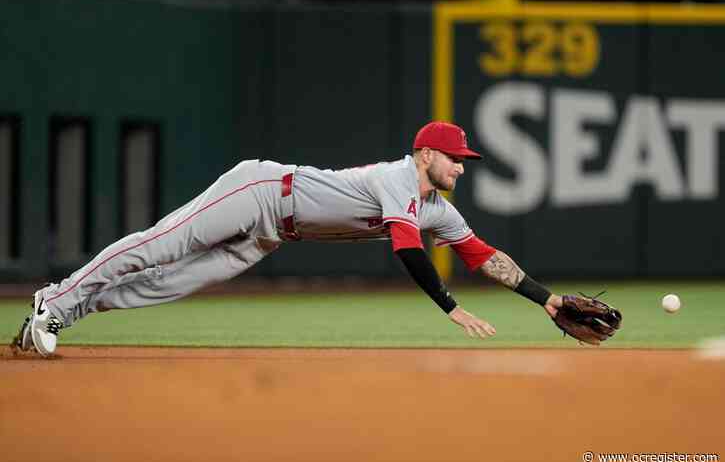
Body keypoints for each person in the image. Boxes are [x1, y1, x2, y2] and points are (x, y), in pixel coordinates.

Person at [12, 121, 563, 357]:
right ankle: (56, 297)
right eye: (455, 158)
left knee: (172, 283)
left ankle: (62, 312)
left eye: (464, 161)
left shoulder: (438, 210)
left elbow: (483, 255)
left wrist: (550, 301)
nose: (462, 167)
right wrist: (449, 306)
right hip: (261, 190)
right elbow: (405, 248)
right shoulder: (399, 178)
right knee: (162, 245)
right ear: (425, 154)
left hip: (272, 233)